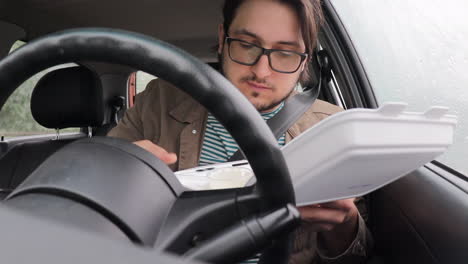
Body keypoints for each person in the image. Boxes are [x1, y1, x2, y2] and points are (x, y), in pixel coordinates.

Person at [108, 0, 373, 263]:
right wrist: (119, 176)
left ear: (305, 61)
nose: (261, 71)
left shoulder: (332, 130)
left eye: (285, 53)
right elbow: (98, 203)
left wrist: (344, 224)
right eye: (247, 45)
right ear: (223, 38)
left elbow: (358, 254)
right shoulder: (158, 101)